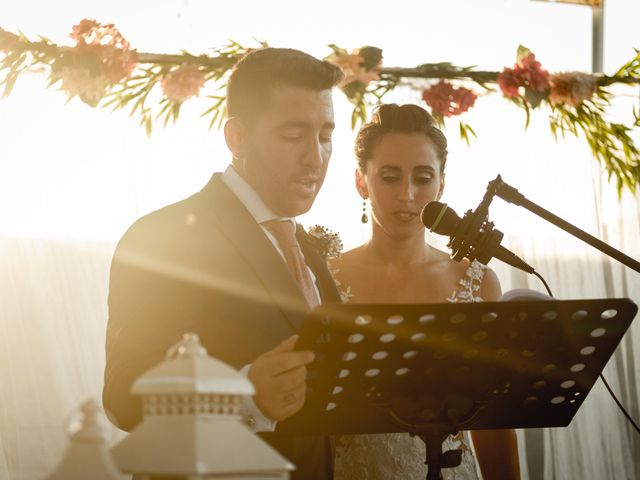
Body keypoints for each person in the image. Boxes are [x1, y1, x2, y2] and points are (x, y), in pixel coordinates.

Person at [103, 48, 344, 480]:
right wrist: (244, 395)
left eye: (325, 135)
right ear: (236, 138)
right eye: (293, 135)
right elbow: (123, 397)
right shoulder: (162, 236)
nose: (316, 157)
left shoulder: (304, 244)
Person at [330, 104, 521, 479]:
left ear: (441, 184)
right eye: (389, 177)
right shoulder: (325, 277)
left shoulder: (478, 282)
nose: (408, 194)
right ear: (361, 182)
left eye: (422, 177)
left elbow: (494, 421)